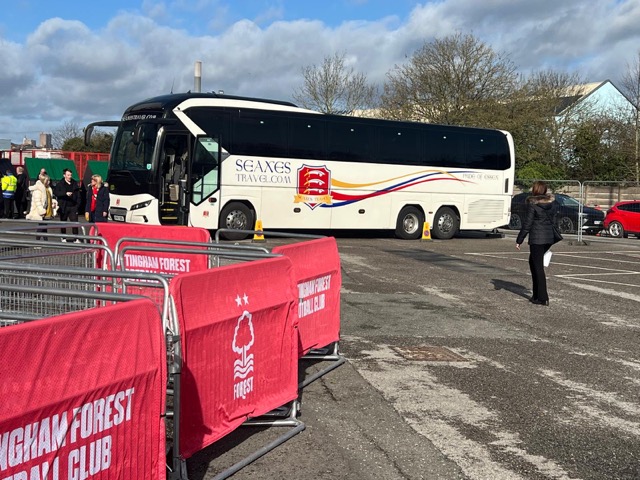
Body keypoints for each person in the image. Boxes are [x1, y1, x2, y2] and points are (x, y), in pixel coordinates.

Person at [515, 181, 559, 306]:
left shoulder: (533, 204)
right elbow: (554, 221)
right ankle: (536, 295)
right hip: (548, 238)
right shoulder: (552, 204)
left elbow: (527, 224)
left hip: (537, 239)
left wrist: (519, 240)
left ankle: (542, 297)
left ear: (535, 190)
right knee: (533, 263)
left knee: (537, 267)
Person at [26, 174, 57, 240]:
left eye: (49, 180)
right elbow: (38, 202)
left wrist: (53, 204)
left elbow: (49, 199)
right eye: (47, 180)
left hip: (47, 210)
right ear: (44, 181)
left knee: (44, 226)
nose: (49, 182)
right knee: (41, 227)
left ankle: (44, 241)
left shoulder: (48, 189)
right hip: (42, 211)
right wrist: (41, 211)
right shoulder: (38, 190)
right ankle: (39, 241)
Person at [54, 168, 81, 241]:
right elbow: (56, 193)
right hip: (64, 206)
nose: (69, 177)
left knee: (75, 223)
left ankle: (76, 238)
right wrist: (65, 194)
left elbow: (78, 195)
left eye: (70, 175)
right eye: (68, 175)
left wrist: (77, 205)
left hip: (73, 206)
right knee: (63, 223)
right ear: (64, 175)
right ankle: (63, 238)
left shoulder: (74, 183)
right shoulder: (60, 184)